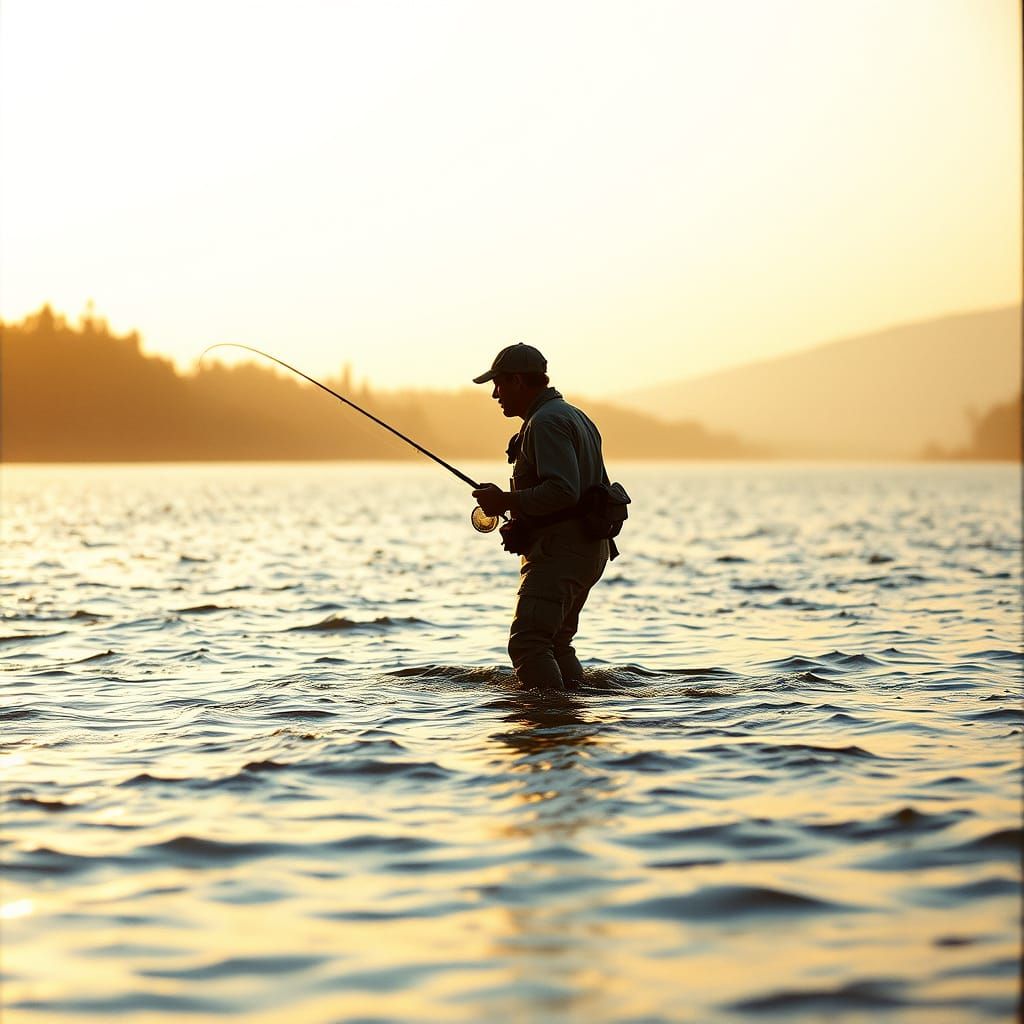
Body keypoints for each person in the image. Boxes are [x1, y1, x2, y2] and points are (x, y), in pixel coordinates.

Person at [471, 343, 612, 690]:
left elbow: (564, 490)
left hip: (561, 554)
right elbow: (580, 490)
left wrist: (504, 499)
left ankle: (547, 725)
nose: (495, 394)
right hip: (588, 550)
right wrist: (514, 510)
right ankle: (568, 718)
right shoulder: (573, 415)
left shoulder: (546, 422)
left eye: (499, 384)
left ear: (518, 381)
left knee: (528, 644)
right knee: (556, 644)